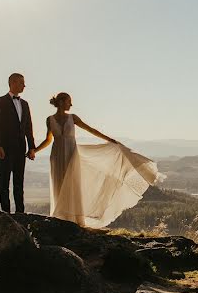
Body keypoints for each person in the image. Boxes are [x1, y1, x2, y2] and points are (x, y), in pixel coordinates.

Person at [32, 92, 162, 227]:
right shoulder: (50, 119)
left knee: (73, 185)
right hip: (56, 156)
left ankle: (76, 221)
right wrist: (35, 150)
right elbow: (48, 140)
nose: (71, 104)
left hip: (72, 154)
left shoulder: (73, 117)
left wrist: (109, 140)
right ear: (61, 102)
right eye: (68, 101)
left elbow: (91, 130)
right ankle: (61, 218)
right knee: (59, 183)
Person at [0, 73, 36, 213]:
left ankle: (20, 213)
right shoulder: (0, 101)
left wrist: (32, 147)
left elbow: (28, 127)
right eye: (22, 83)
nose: (24, 86)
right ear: (13, 83)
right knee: (4, 181)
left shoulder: (25, 104)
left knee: (19, 182)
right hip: (5, 148)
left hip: (20, 148)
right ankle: (6, 214)